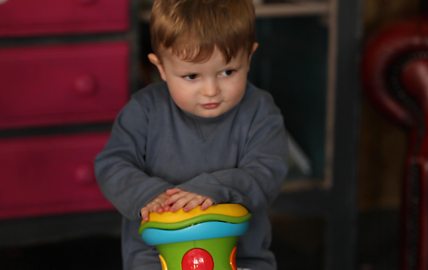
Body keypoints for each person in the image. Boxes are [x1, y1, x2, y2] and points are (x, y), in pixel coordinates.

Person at [94, 0, 288, 269]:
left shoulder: (260, 111)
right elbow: (112, 164)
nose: (211, 90)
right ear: (160, 67)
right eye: (192, 76)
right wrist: (148, 194)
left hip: (242, 257)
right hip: (155, 258)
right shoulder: (144, 110)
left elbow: (266, 171)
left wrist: (214, 188)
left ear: (249, 57)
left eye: (227, 72)